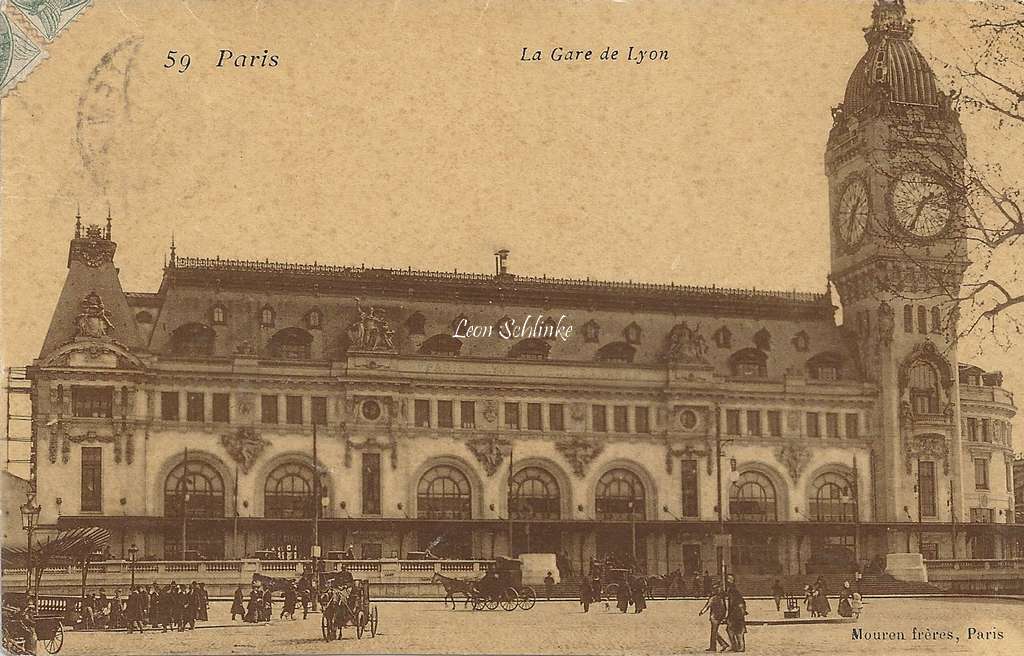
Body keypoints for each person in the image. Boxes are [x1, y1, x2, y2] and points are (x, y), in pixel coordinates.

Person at [699, 582, 730, 653]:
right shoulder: (721, 599)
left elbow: (707, 606)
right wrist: (724, 616)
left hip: (714, 617)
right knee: (714, 632)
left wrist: (702, 612)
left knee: (714, 632)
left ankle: (715, 646)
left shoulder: (713, 598)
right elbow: (725, 608)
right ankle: (722, 644)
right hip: (720, 617)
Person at [725, 574, 747, 652]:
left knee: (738, 631)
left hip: (737, 613)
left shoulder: (734, 591)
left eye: (730, 579)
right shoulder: (730, 590)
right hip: (732, 613)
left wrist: (742, 611)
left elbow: (740, 603)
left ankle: (741, 647)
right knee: (729, 629)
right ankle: (734, 645)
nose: (728, 581)